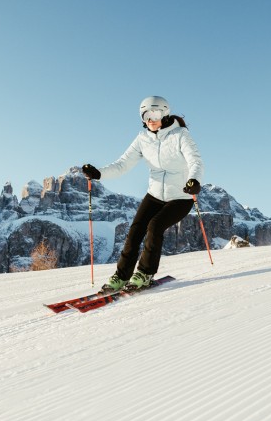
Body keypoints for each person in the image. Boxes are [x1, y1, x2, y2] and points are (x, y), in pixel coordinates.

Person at [82, 96, 204, 292]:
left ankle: (145, 273)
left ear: (164, 114)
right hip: (154, 195)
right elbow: (123, 164)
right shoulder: (142, 139)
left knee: (155, 227)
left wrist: (194, 181)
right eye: (146, 115)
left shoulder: (180, 135)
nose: (150, 119)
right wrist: (99, 174)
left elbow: (195, 161)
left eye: (154, 114)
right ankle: (121, 276)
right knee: (135, 230)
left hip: (180, 197)